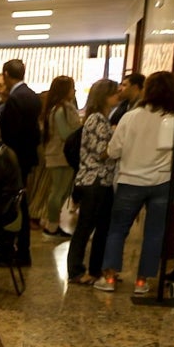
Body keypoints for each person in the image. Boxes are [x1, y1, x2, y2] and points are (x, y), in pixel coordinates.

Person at [95, 71, 174, 295]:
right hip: (164, 181)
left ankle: (109, 278)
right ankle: (142, 281)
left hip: (131, 180)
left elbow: (114, 149)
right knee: (155, 232)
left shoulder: (131, 117)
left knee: (118, 229)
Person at [66, 79, 121, 285]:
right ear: (105, 96)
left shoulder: (100, 119)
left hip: (100, 181)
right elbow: (101, 152)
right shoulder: (96, 120)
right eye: (115, 93)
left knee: (100, 227)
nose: (118, 95)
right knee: (85, 227)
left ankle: (95, 269)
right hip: (94, 181)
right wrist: (118, 140)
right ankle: (76, 271)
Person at [0, 59, 42, 264]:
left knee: (14, 204)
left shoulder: (15, 98)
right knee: (20, 202)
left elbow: (11, 134)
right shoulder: (32, 96)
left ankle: (14, 249)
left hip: (15, 160)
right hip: (27, 158)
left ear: (6, 74)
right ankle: (18, 248)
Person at [39, 75, 82, 237]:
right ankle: (52, 225)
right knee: (58, 191)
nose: (74, 91)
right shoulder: (62, 109)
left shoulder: (57, 108)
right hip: (61, 154)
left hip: (59, 154)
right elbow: (65, 133)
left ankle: (52, 222)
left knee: (61, 191)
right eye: (72, 88)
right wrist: (80, 131)